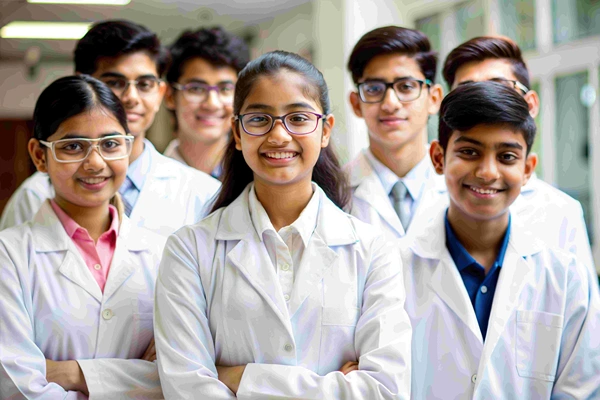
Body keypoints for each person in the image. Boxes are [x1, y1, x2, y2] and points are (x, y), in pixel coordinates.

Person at [154, 51, 411, 399]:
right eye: (260, 119)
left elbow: (385, 389)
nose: (279, 136)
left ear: (325, 130)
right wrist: (336, 388)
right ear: (238, 132)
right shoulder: (190, 249)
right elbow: (187, 386)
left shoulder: (372, 249)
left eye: (298, 118)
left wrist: (241, 378)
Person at [403, 81, 600, 399]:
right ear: (438, 158)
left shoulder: (564, 276)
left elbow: (582, 390)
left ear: (527, 168)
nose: (487, 172)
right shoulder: (394, 270)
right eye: (469, 152)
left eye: (507, 156)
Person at [0, 75, 163, 399]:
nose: (95, 162)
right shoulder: (9, 255)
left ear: (128, 147)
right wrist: (132, 378)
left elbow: (178, 375)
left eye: (110, 143)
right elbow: (15, 384)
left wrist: (70, 373)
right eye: (73, 146)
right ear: (38, 155)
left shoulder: (164, 253)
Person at [0, 20, 221, 236]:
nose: (132, 98)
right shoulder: (34, 195)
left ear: (161, 93)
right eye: (115, 83)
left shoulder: (202, 193)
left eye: (144, 84)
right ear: (84, 87)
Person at [442, 35, 596, 276]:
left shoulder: (561, 212)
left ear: (531, 104)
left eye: (499, 86)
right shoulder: (429, 204)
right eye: (468, 90)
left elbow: (586, 311)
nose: (484, 102)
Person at [344, 26, 444, 241]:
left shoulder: (461, 185)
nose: (390, 103)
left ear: (434, 98)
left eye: (406, 86)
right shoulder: (332, 193)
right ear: (355, 103)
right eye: (373, 89)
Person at [164, 26, 249, 179]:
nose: (212, 104)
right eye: (196, 89)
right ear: (170, 96)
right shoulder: (151, 178)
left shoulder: (256, 176)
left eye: (225, 89)